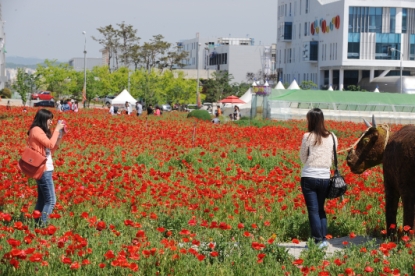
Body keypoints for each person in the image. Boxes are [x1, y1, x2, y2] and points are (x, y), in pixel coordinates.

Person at [299, 108, 337, 249]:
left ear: (311, 120)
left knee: (313, 211)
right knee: (321, 209)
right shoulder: (332, 136)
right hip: (325, 178)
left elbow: (303, 158)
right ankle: (324, 240)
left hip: (309, 177)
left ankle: (317, 241)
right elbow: (333, 158)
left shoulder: (307, 136)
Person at [27, 109, 65, 226]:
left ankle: (37, 224)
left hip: (45, 168)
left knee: (43, 200)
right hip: (43, 170)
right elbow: (50, 144)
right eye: (50, 120)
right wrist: (57, 130)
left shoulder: (41, 131)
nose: (52, 122)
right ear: (43, 119)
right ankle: (43, 226)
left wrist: (60, 135)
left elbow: (50, 150)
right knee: (51, 201)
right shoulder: (36, 130)